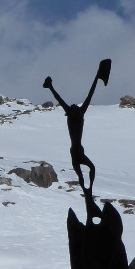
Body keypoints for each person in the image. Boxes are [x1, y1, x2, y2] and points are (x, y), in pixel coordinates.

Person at [43, 59, 110, 197]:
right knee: (85, 172)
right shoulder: (76, 113)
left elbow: (90, 94)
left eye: (74, 106)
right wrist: (50, 87)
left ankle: (88, 190)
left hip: (77, 150)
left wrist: (97, 77)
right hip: (75, 151)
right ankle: (87, 190)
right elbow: (60, 98)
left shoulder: (78, 112)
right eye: (73, 106)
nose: (74, 105)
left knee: (90, 169)